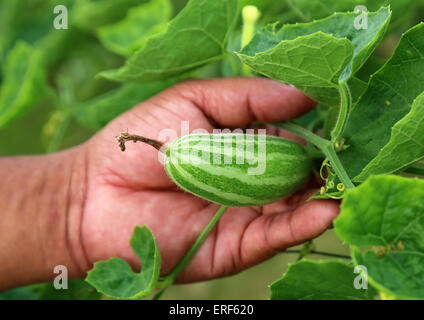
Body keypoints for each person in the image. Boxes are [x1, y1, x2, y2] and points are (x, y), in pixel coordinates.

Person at [0, 77, 339, 291]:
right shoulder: (181, 160)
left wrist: (79, 196)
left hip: (285, 168)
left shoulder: (182, 160)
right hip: (284, 170)